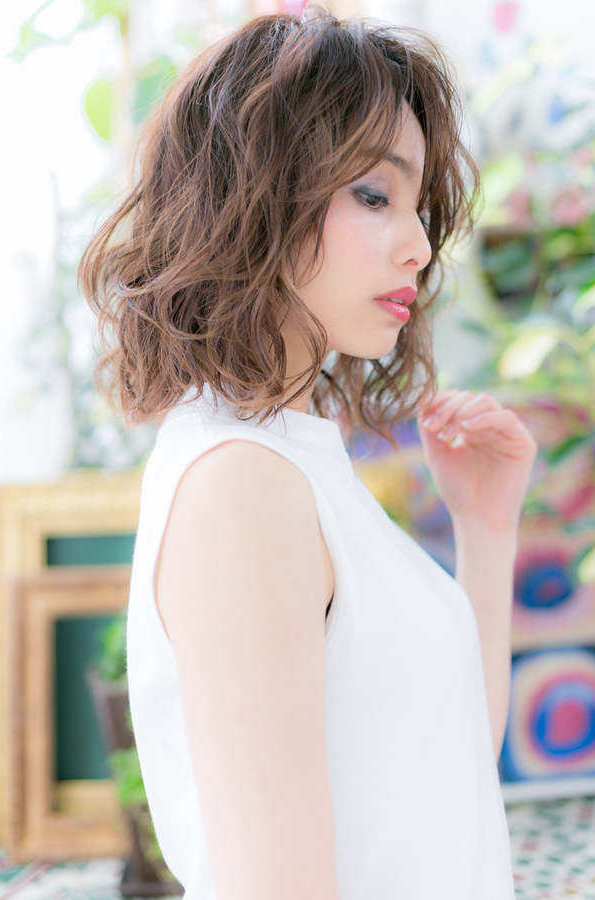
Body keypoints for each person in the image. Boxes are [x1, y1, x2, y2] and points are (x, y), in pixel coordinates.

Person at [79, 8, 537, 899]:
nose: (420, 245)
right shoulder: (241, 483)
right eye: (374, 195)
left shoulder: (291, 456)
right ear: (255, 190)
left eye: (417, 205)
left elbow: (442, 775)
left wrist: (486, 532)